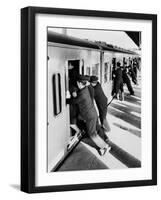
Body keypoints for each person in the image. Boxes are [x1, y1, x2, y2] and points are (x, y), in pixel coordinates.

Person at [68, 75, 111, 155]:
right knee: (95, 130)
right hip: (93, 114)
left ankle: (105, 147)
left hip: (89, 117)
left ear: (80, 83)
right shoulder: (86, 89)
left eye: (77, 83)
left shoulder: (82, 94)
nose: (77, 84)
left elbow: (73, 101)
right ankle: (105, 142)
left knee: (92, 134)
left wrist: (66, 99)